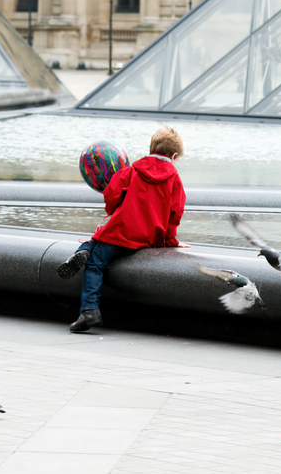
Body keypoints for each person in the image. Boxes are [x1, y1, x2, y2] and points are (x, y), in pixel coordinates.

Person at [56, 126, 190, 333]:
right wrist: (171, 240)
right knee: (98, 245)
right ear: (173, 156)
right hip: (148, 238)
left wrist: (114, 211)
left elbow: (111, 193)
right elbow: (176, 212)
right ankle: (85, 249)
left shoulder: (133, 170)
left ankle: (89, 310)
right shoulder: (174, 179)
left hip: (121, 233)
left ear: (151, 148)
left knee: (95, 263)